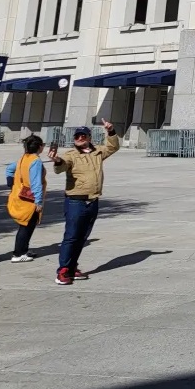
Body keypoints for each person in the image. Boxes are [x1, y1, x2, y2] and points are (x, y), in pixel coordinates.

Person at [48, 119, 119, 286]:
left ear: (89, 137)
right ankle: (63, 270)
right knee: (71, 236)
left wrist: (111, 131)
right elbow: (61, 167)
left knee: (82, 237)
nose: (80, 138)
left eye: (83, 135)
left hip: (92, 201)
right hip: (75, 202)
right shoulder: (71, 155)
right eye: (77, 136)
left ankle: (72, 267)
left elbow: (113, 147)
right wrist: (57, 160)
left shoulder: (97, 152)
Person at [5, 135, 47, 262]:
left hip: (20, 196)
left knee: (25, 225)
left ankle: (23, 249)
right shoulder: (35, 161)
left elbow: (9, 169)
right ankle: (18, 253)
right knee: (26, 225)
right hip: (29, 199)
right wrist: (38, 201)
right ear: (40, 147)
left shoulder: (24, 158)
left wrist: (11, 183)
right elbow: (36, 183)